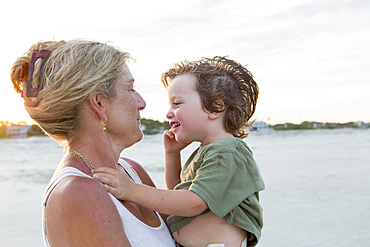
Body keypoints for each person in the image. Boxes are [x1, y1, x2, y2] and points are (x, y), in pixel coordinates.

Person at [10, 39, 177, 247]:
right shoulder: (77, 194)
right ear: (99, 103)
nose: (142, 103)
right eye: (130, 89)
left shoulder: (132, 170)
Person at [92, 56, 265, 247]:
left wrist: (131, 190)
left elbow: (194, 203)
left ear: (215, 107)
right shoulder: (209, 151)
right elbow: (179, 193)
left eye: (177, 104)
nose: (168, 113)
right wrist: (172, 155)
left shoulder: (228, 151)